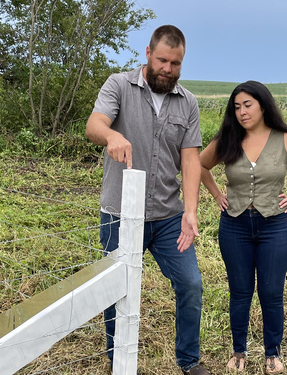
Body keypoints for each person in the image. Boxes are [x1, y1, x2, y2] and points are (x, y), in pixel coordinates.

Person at [85, 25, 210, 375]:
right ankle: (117, 360)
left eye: (176, 63)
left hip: (170, 215)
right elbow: (94, 124)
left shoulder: (188, 102)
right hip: (121, 214)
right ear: (147, 53)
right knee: (117, 290)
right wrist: (111, 135)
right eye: (162, 60)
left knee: (191, 284)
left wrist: (190, 211)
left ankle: (189, 361)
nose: (168, 69)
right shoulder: (119, 85)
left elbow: (190, 159)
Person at [199, 81, 287, 374]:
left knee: (271, 292)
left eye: (248, 105)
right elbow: (200, 164)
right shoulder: (228, 138)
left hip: (275, 226)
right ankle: (238, 351)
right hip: (235, 225)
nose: (242, 112)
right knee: (240, 291)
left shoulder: (286, 138)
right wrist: (218, 194)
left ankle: (272, 353)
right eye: (237, 107)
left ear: (263, 105)